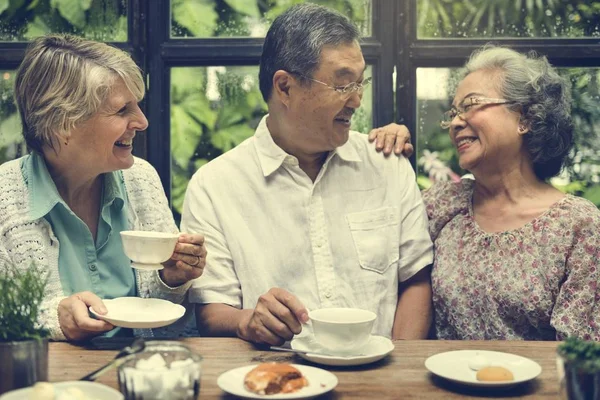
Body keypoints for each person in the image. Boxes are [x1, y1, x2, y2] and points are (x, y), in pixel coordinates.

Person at [181, 3, 433, 346]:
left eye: (361, 83)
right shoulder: (215, 185)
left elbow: (415, 280)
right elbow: (212, 313)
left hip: (381, 377)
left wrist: (398, 370)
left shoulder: (387, 163)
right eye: (343, 85)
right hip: (273, 377)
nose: (357, 101)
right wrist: (248, 320)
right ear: (284, 87)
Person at [371, 45, 600, 340]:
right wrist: (382, 152)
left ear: (525, 118)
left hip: (536, 386)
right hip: (438, 382)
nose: (454, 123)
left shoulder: (579, 227)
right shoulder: (440, 205)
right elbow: (374, 260)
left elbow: (579, 356)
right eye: (453, 113)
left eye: (471, 105)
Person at [0, 34, 207, 342]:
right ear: (63, 122)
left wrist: (172, 279)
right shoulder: (6, 197)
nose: (142, 121)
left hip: (139, 372)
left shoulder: (141, 179)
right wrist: (56, 318)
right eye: (123, 110)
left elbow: (164, 312)